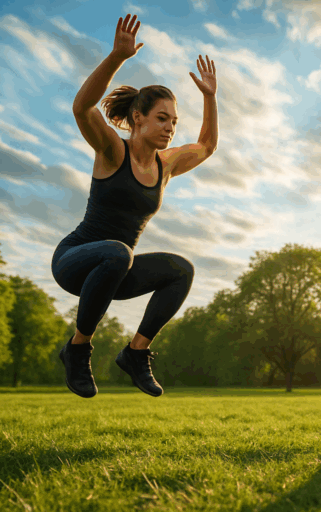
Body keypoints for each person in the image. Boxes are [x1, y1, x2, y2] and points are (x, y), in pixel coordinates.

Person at [51, 14, 218, 398]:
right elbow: (82, 108)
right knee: (118, 251)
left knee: (181, 270)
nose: (170, 128)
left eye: (174, 123)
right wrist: (117, 57)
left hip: (115, 269)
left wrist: (209, 97)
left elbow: (207, 146)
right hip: (75, 260)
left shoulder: (167, 165)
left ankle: (135, 353)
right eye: (162, 118)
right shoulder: (112, 150)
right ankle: (77, 348)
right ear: (137, 118)